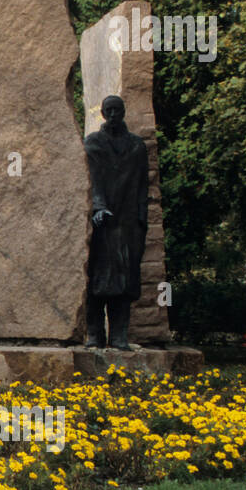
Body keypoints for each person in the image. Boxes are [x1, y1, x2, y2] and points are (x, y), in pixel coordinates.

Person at [84, 95, 149, 350]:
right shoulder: (93, 144)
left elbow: (143, 184)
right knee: (97, 279)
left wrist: (141, 220)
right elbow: (90, 180)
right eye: (108, 110)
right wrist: (98, 208)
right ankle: (94, 334)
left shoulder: (136, 146)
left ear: (123, 112)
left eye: (117, 110)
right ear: (102, 113)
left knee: (126, 279)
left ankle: (120, 335)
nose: (113, 115)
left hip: (128, 221)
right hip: (101, 222)